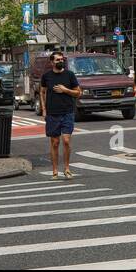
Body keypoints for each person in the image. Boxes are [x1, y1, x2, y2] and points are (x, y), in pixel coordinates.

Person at [40, 50, 81, 180]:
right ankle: (55, 170)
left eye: (62, 59)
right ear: (52, 62)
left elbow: (78, 93)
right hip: (52, 113)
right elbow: (42, 92)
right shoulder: (46, 76)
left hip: (67, 112)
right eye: (58, 60)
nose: (60, 61)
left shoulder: (70, 75)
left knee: (66, 141)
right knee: (55, 142)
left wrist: (65, 90)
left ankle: (67, 168)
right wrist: (44, 109)